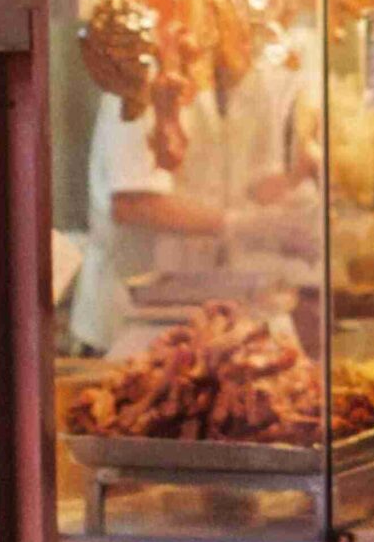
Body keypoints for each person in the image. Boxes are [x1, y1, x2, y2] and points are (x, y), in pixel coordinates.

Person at [68, 58, 320, 354]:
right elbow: (131, 203)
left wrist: (280, 206)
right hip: (123, 324)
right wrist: (240, 225)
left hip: (185, 317)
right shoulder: (137, 78)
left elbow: (226, 187)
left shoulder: (212, 86)